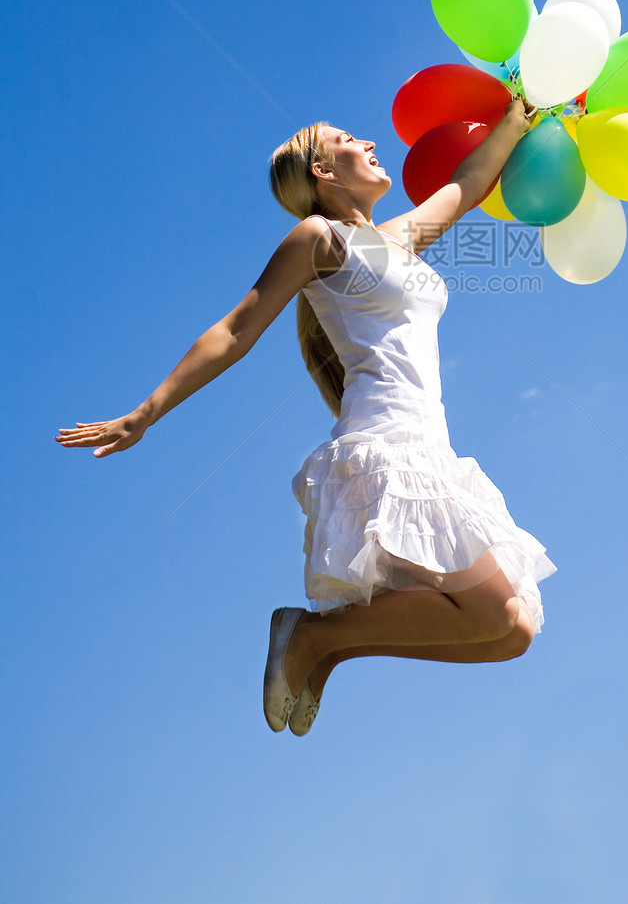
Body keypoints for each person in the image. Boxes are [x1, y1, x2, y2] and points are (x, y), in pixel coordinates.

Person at [56, 95, 555, 736]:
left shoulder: (397, 240)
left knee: (513, 631)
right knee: (495, 614)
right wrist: (147, 411)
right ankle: (311, 640)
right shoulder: (322, 238)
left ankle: (325, 644)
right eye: (349, 138)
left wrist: (524, 111)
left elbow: (469, 181)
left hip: (432, 447)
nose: (370, 142)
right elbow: (235, 330)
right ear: (324, 172)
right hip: (389, 448)